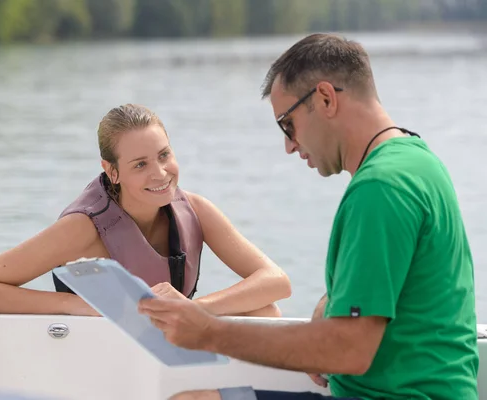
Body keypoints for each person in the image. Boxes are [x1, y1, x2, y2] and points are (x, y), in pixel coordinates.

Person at [138, 33, 479, 400]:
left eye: (288, 124)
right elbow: (386, 291)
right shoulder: (416, 160)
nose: (289, 145)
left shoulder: (380, 188)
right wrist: (330, 304)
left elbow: (349, 349)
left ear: (326, 98)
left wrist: (207, 332)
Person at [0, 104, 292, 318]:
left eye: (164, 155)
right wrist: (79, 306)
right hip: (98, 353)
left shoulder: (196, 210)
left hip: (163, 346)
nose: (159, 174)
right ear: (112, 171)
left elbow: (276, 281)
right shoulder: (84, 227)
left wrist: (192, 309)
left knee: (265, 311)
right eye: (140, 164)